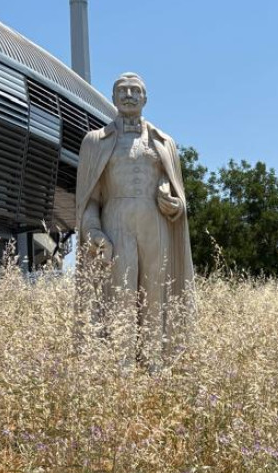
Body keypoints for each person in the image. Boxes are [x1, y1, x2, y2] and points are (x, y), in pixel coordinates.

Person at [75, 73, 194, 363]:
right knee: (120, 294)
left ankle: (155, 363)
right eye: (122, 91)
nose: (129, 95)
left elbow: (176, 190)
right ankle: (121, 365)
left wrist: (176, 205)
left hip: (156, 224)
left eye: (135, 91)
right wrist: (92, 229)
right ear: (114, 98)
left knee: (157, 293)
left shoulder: (164, 142)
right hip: (115, 220)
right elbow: (89, 198)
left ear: (145, 98)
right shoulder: (95, 141)